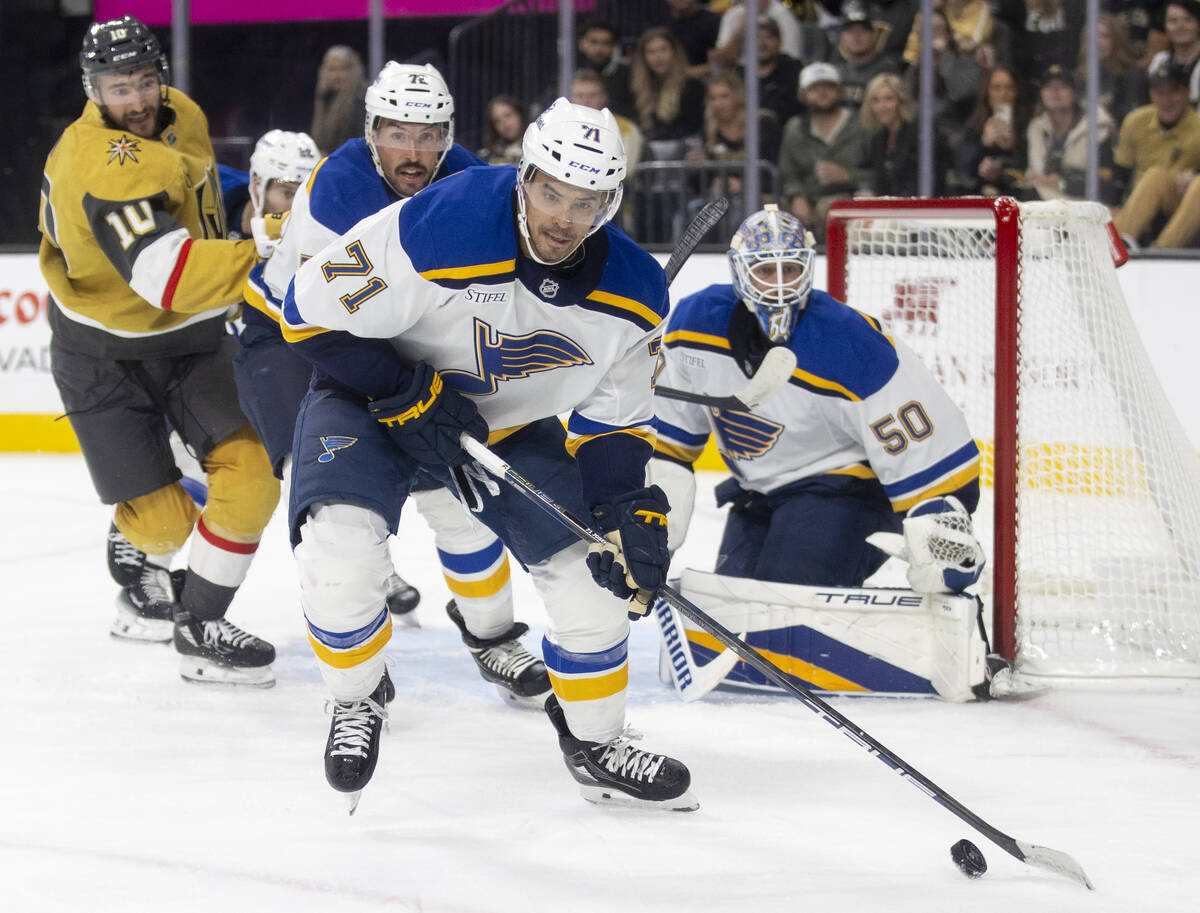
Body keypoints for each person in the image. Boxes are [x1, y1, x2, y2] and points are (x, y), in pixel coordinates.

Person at [282, 98, 695, 811]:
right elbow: (305, 309)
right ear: (523, 178)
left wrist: (627, 507)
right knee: (340, 554)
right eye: (550, 191)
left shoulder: (634, 292)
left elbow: (613, 423)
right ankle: (357, 697)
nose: (561, 216)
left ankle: (595, 741)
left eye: (585, 200)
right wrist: (401, 386)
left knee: (591, 578)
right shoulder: (443, 221)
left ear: (611, 202)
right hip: (371, 400)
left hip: (499, 429)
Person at [248, 61, 549, 693]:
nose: (413, 152)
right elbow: (314, 318)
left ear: (448, 133)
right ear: (370, 131)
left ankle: (491, 636)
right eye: (396, 134)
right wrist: (398, 384)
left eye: (428, 134)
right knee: (341, 522)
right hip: (324, 356)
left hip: (426, 364)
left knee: (467, 509)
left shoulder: (471, 178)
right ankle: (358, 669)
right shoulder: (335, 188)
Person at [39, 15, 279, 685]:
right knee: (168, 526)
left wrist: (265, 213)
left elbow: (198, 186)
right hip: (101, 354)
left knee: (253, 474)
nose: (139, 100)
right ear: (94, 90)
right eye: (120, 87)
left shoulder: (183, 115)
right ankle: (136, 534)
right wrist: (271, 250)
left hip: (194, 342)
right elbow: (166, 275)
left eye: (146, 80)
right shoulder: (98, 163)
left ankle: (199, 623)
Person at [649, 204, 984, 594]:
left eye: (789, 270)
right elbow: (668, 447)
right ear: (739, 271)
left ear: (807, 268)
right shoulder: (695, 324)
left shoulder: (853, 343)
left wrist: (942, 533)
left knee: (785, 605)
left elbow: (935, 460)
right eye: (764, 271)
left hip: (847, 490)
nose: (778, 286)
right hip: (760, 495)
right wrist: (654, 532)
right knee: (729, 606)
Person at [1112, 57, 1200, 247]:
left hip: (1186, 207)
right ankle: (1116, 245)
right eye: (1159, 92)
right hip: (1143, 204)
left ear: (1187, 92)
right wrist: (1113, 205)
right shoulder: (1136, 121)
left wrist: (1193, 176)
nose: (1166, 100)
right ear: (1151, 95)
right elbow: (1121, 173)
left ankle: (1161, 251)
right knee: (1155, 176)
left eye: (1173, 92)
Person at [777, 62, 868, 241]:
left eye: (828, 87)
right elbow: (788, 174)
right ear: (802, 94)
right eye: (814, 88)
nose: (822, 93)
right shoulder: (794, 128)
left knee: (832, 208)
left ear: (840, 90)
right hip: (806, 203)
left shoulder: (861, 126)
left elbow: (878, 173)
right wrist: (797, 196)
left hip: (849, 204)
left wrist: (848, 176)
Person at [1023, 63, 1115, 201]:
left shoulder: (1098, 126)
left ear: (1075, 93)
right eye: (1048, 87)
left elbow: (1105, 180)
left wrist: (1061, 183)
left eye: (1062, 87)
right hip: (1042, 199)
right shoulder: (1036, 127)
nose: (1054, 92)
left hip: (1084, 204)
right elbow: (1033, 170)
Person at [858, 72, 947, 197]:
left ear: (901, 100)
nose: (882, 107)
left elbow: (922, 184)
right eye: (875, 100)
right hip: (893, 210)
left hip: (922, 208)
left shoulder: (921, 133)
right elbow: (881, 184)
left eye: (888, 99)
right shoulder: (878, 140)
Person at [955, 64, 1031, 196]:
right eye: (997, 88)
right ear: (987, 93)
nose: (1003, 94)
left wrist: (1014, 146)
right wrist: (983, 143)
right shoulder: (975, 127)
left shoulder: (1028, 125)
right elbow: (963, 172)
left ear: (1017, 92)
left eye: (1009, 88)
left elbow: (1033, 167)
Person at [630, 26, 706, 150]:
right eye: (651, 52)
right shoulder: (638, 88)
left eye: (663, 50)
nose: (658, 57)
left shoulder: (691, 86)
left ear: (674, 52)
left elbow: (692, 128)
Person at [1077, 13, 1151, 127]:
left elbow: (1132, 121)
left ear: (1117, 40)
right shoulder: (1079, 77)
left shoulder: (1132, 76)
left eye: (1104, 36)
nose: (1098, 42)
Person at [833, 1, 902, 112]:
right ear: (842, 38)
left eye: (863, 31)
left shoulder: (887, 70)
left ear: (874, 36)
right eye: (850, 31)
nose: (856, 37)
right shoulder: (836, 71)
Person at [310, 45, 367, 155]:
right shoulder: (325, 99)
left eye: (343, 69)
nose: (336, 75)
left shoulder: (361, 102)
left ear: (354, 71)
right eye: (332, 69)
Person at [1147, 1, 1200, 110]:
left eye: (1188, 20)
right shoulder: (1160, 61)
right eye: (1173, 21)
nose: (1180, 26)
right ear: (1165, 27)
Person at [478, 95, 528, 165]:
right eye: (497, 121)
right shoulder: (487, 157)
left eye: (508, 115)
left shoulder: (536, 145)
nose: (505, 124)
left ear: (519, 114)